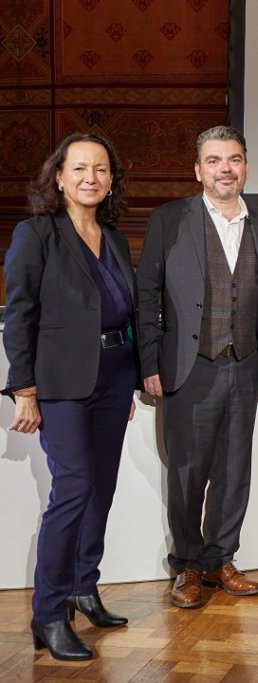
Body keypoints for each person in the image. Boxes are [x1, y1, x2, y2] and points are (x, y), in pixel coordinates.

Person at [136, 125, 258, 608]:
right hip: (188, 366)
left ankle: (221, 559)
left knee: (234, 468)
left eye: (235, 159)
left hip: (245, 365)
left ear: (246, 166)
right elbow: (146, 295)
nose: (227, 168)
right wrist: (150, 361)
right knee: (187, 471)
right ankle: (187, 566)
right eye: (216, 160)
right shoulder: (169, 219)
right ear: (198, 169)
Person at [3, 134, 139, 660]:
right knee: (74, 488)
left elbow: (124, 317)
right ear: (57, 176)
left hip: (112, 377)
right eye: (79, 168)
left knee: (99, 489)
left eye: (101, 169)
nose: (91, 178)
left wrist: (127, 382)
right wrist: (24, 390)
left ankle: (85, 585)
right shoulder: (36, 234)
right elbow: (20, 314)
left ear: (111, 180)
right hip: (59, 384)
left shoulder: (115, 238)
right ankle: (49, 612)